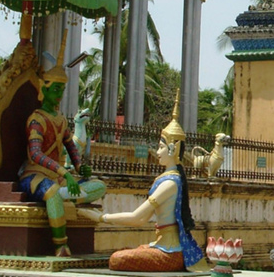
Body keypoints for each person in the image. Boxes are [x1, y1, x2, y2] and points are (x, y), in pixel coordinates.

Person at [79, 102, 204, 271]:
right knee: (126, 252)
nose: (158, 152)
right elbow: (143, 219)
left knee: (117, 259)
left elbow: (137, 217)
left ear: (173, 150)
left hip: (170, 253)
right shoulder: (168, 179)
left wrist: (101, 218)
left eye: (161, 148)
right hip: (162, 245)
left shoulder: (170, 184)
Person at [18, 31, 106, 256]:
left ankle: (66, 194)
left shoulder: (60, 120)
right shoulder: (36, 119)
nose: (59, 94)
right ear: (43, 89)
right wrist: (63, 172)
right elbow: (35, 154)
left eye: (62, 90)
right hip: (34, 175)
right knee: (54, 194)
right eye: (55, 89)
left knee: (99, 186)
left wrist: (78, 168)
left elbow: (71, 147)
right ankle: (61, 246)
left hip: (58, 178)